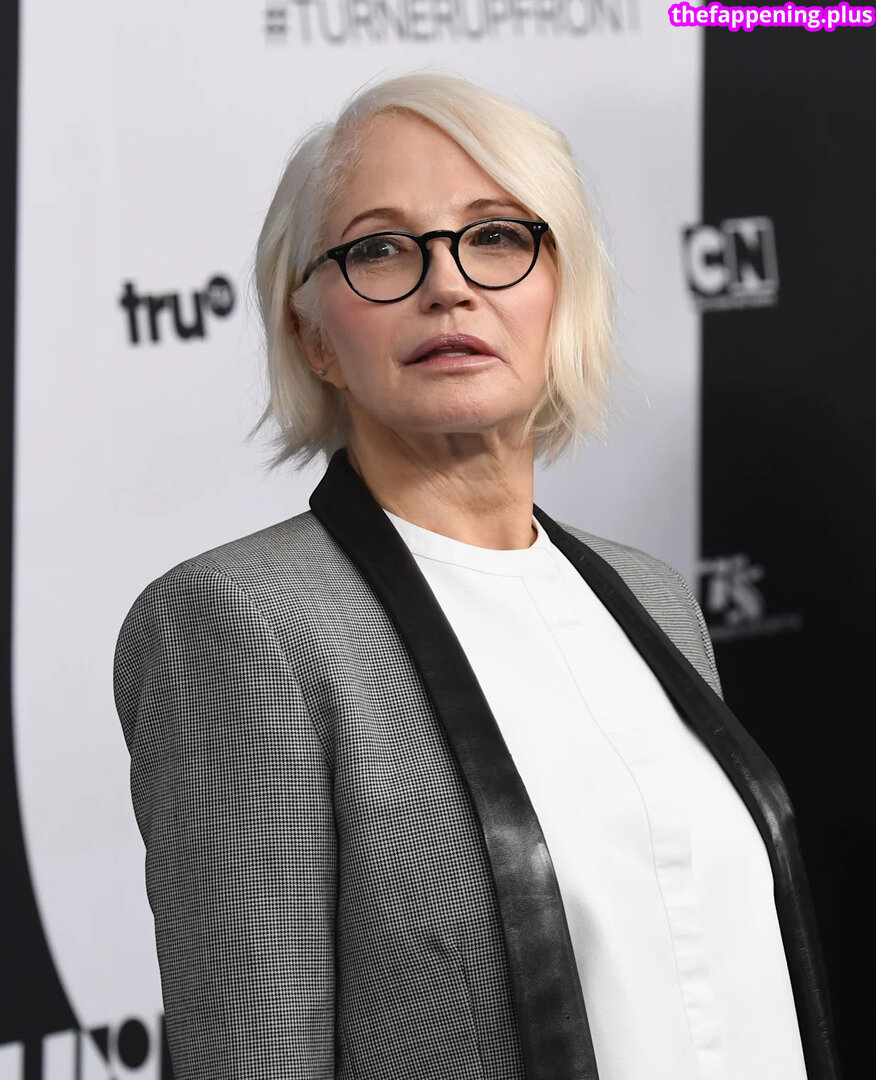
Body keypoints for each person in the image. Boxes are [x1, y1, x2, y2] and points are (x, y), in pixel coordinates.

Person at [112, 73, 839, 1080]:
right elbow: (253, 1057)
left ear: (560, 291)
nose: (447, 284)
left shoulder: (654, 599)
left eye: (495, 236)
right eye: (378, 249)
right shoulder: (240, 625)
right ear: (312, 336)